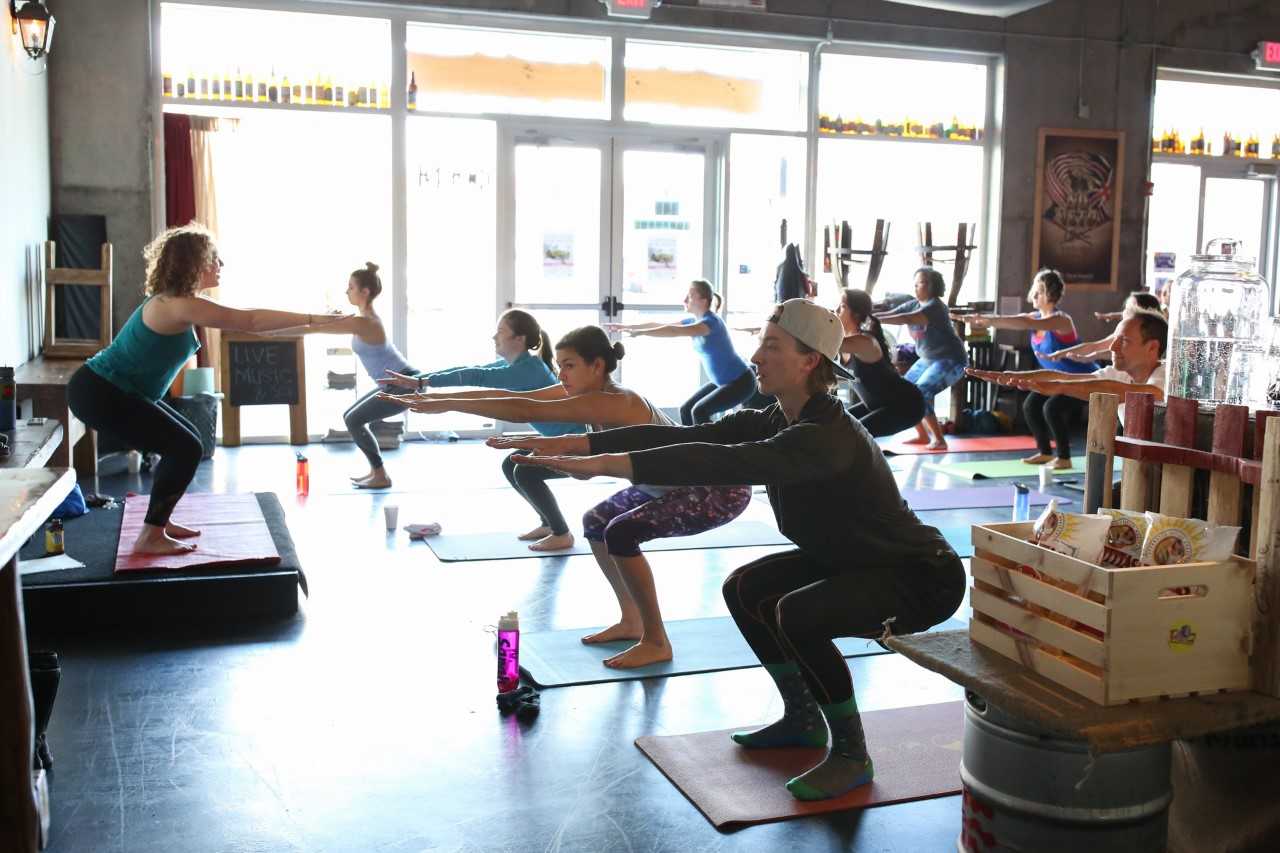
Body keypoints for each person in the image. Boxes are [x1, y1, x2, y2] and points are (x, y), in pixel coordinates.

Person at [512, 299, 965, 801]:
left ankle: (851, 755)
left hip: (920, 576)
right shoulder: (778, 417)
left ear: (809, 361)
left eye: (772, 347)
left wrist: (607, 464)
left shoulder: (824, 435)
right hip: (855, 558)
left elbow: (712, 461)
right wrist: (584, 447)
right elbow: (691, 435)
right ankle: (802, 718)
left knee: (798, 614)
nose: (756, 356)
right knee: (744, 588)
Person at [391, 326, 753, 665]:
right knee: (596, 522)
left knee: (622, 532)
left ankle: (657, 641)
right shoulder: (586, 392)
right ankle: (632, 620)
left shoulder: (617, 401)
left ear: (597, 366)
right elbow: (519, 399)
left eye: (569, 366)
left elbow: (526, 410)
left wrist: (448, 403)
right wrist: (442, 396)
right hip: (667, 483)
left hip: (716, 488)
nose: (560, 375)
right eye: (558, 366)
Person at [67, 224, 347, 555]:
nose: (220, 265)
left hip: (111, 390)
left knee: (189, 441)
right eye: (214, 258)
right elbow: (251, 320)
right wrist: (317, 318)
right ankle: (151, 535)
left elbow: (259, 328)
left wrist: (323, 325)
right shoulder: (177, 304)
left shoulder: (178, 302)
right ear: (194, 262)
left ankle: (160, 521)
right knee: (184, 447)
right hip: (102, 391)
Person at [282, 277, 580, 493]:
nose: (494, 337)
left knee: (520, 470)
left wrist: (426, 386)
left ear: (519, 340)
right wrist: (424, 381)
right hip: (559, 442)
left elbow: (478, 382)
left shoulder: (526, 370)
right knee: (515, 468)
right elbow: (472, 371)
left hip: (575, 446)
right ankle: (552, 527)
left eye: (500, 332)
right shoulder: (518, 363)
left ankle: (558, 531)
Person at [960, 269, 1096, 469]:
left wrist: (989, 321)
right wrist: (986, 320)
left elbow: (1026, 322)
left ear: (1049, 294)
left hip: (1082, 379)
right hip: (1057, 380)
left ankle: (1065, 457)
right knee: (1030, 406)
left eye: (1038, 291)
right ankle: (1045, 452)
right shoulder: (1034, 317)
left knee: (1052, 409)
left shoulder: (1061, 320)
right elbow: (1018, 321)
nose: (1033, 294)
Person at [967, 313, 1168, 421]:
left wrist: (1061, 387)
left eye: (1123, 341)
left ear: (1152, 347)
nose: (1113, 347)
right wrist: (1013, 376)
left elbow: (1126, 393)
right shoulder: (1119, 373)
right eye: (1114, 339)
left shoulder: (1166, 377)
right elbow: (1067, 377)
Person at [606, 280, 755, 425]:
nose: (685, 299)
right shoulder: (695, 321)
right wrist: (627, 327)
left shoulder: (710, 323)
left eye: (690, 296)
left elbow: (673, 331)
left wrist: (641, 333)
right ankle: (690, 446)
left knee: (699, 411)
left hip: (741, 382)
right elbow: (663, 325)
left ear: (703, 300)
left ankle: (709, 448)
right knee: (686, 409)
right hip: (724, 382)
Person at [875, 267, 968, 450]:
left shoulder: (936, 307)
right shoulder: (914, 303)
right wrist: (871, 315)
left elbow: (904, 318)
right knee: (903, 391)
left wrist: (874, 319)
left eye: (922, 283)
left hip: (951, 360)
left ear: (933, 286)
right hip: (928, 359)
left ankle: (939, 440)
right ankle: (922, 435)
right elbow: (894, 313)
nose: (917, 287)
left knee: (921, 392)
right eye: (915, 283)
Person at [836, 288, 926, 437]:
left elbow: (820, 343)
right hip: (877, 404)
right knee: (836, 424)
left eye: (843, 306)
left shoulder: (864, 341)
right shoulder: (846, 342)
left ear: (856, 314)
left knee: (850, 436)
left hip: (906, 405)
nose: (837, 310)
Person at [1050, 291, 1165, 363]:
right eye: (1125, 308)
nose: (1124, 313)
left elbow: (1096, 349)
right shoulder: (1123, 332)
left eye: (1129, 309)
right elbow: (1094, 346)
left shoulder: (1152, 335)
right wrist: (1060, 353)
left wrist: (1093, 356)